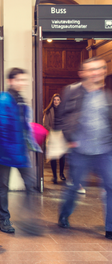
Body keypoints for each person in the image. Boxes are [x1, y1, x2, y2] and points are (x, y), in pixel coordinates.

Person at [57, 56, 112, 240]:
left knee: (111, 186)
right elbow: (62, 117)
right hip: (80, 150)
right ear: (83, 73)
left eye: (99, 69)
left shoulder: (107, 94)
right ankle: (64, 214)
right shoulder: (72, 92)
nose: (96, 73)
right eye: (92, 69)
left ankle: (110, 227)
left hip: (105, 149)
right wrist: (70, 138)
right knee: (74, 188)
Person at [0, 68, 42, 234]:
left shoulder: (21, 100)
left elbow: (24, 126)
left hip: (20, 150)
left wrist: (31, 142)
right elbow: (2, 127)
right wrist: (11, 152)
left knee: (31, 183)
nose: (22, 83)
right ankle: (4, 219)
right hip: (4, 151)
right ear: (11, 81)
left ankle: (30, 219)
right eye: (19, 80)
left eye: (24, 80)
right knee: (2, 185)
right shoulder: (3, 98)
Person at [43, 94, 66, 184]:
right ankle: (55, 176)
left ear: (60, 101)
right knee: (53, 157)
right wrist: (52, 131)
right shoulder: (48, 111)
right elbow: (45, 124)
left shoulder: (63, 112)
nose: (56, 101)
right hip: (52, 135)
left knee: (62, 156)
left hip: (61, 135)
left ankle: (61, 174)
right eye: (54, 100)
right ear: (52, 101)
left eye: (58, 100)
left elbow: (65, 123)